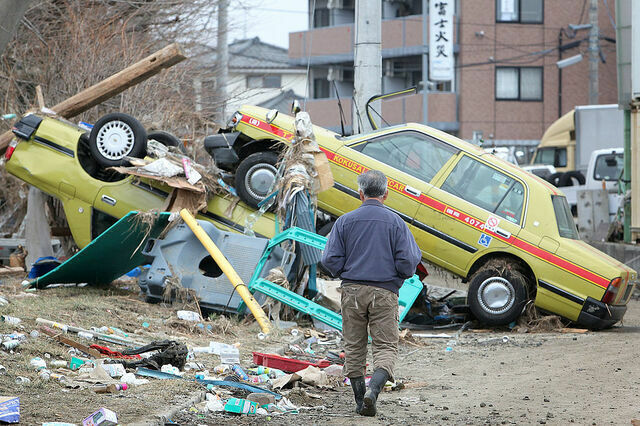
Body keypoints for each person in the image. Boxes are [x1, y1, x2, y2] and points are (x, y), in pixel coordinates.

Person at [321, 170, 422, 416]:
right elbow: (409, 262)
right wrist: (396, 277)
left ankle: (359, 402)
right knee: (386, 346)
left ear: (360, 193)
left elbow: (329, 260)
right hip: (384, 291)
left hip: (352, 291)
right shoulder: (396, 222)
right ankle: (373, 392)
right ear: (386, 194)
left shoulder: (345, 221)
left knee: (354, 346)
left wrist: (349, 273)